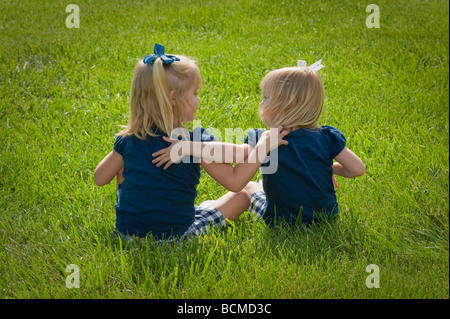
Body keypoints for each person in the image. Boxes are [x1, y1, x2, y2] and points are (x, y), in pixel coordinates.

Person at [94, 43, 289, 240]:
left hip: (127, 235)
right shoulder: (192, 142)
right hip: (176, 236)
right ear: (173, 98)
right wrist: (262, 144)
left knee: (122, 169)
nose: (199, 100)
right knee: (244, 195)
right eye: (195, 93)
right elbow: (236, 178)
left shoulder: (128, 140)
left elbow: (99, 178)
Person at [154, 60, 365, 226]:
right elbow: (357, 169)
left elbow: (235, 154)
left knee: (250, 186)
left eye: (266, 98)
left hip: (281, 219)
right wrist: (329, 168)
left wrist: (192, 146)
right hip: (327, 217)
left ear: (286, 105)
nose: (261, 103)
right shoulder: (327, 137)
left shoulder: (266, 138)